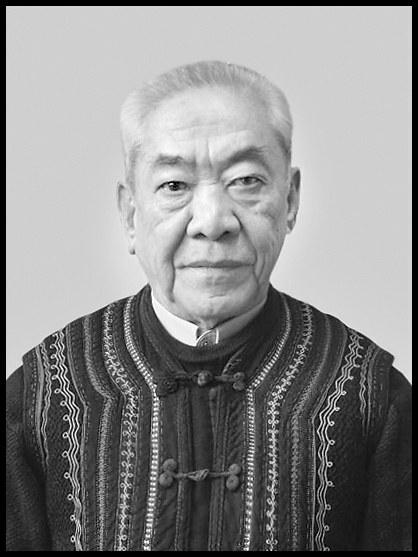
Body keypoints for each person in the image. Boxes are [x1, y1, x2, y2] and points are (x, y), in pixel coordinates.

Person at [6, 60, 411, 552]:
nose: (212, 221)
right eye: (174, 186)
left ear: (290, 200)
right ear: (130, 213)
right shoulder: (45, 394)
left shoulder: (369, 395)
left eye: (246, 180)